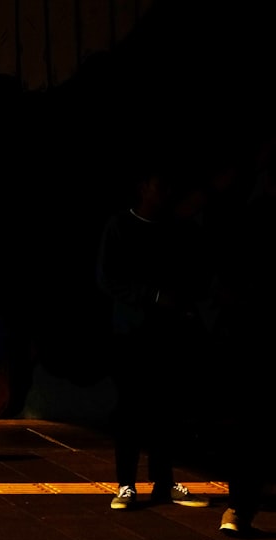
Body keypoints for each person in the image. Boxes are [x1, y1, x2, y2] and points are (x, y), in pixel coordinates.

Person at [96, 158, 212, 510]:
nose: (166, 193)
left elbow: (194, 275)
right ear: (143, 187)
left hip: (168, 334)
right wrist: (155, 296)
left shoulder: (177, 229)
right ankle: (126, 484)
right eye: (160, 185)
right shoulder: (119, 226)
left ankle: (163, 481)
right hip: (131, 335)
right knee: (132, 408)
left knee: (167, 409)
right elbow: (107, 279)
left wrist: (185, 306)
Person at [205, 140, 276, 535]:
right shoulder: (251, 217)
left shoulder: (247, 215)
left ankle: (240, 506)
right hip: (253, 330)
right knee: (253, 422)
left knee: (249, 424)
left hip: (249, 331)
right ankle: (241, 505)